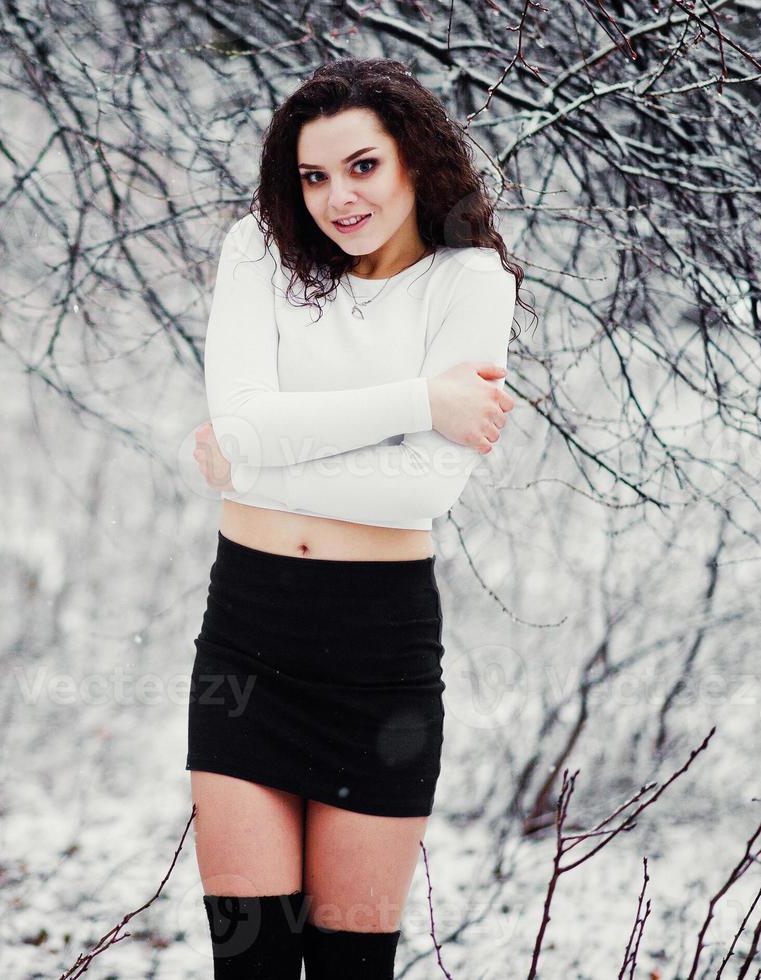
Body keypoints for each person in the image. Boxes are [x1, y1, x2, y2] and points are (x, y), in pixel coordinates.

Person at [186, 58, 532, 979]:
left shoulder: (469, 282)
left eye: (362, 166)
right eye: (313, 176)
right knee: (249, 965)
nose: (337, 197)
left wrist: (255, 459)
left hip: (377, 660)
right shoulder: (257, 252)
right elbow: (244, 426)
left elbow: (419, 492)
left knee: (349, 969)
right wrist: (422, 398)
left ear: (414, 159)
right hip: (246, 642)